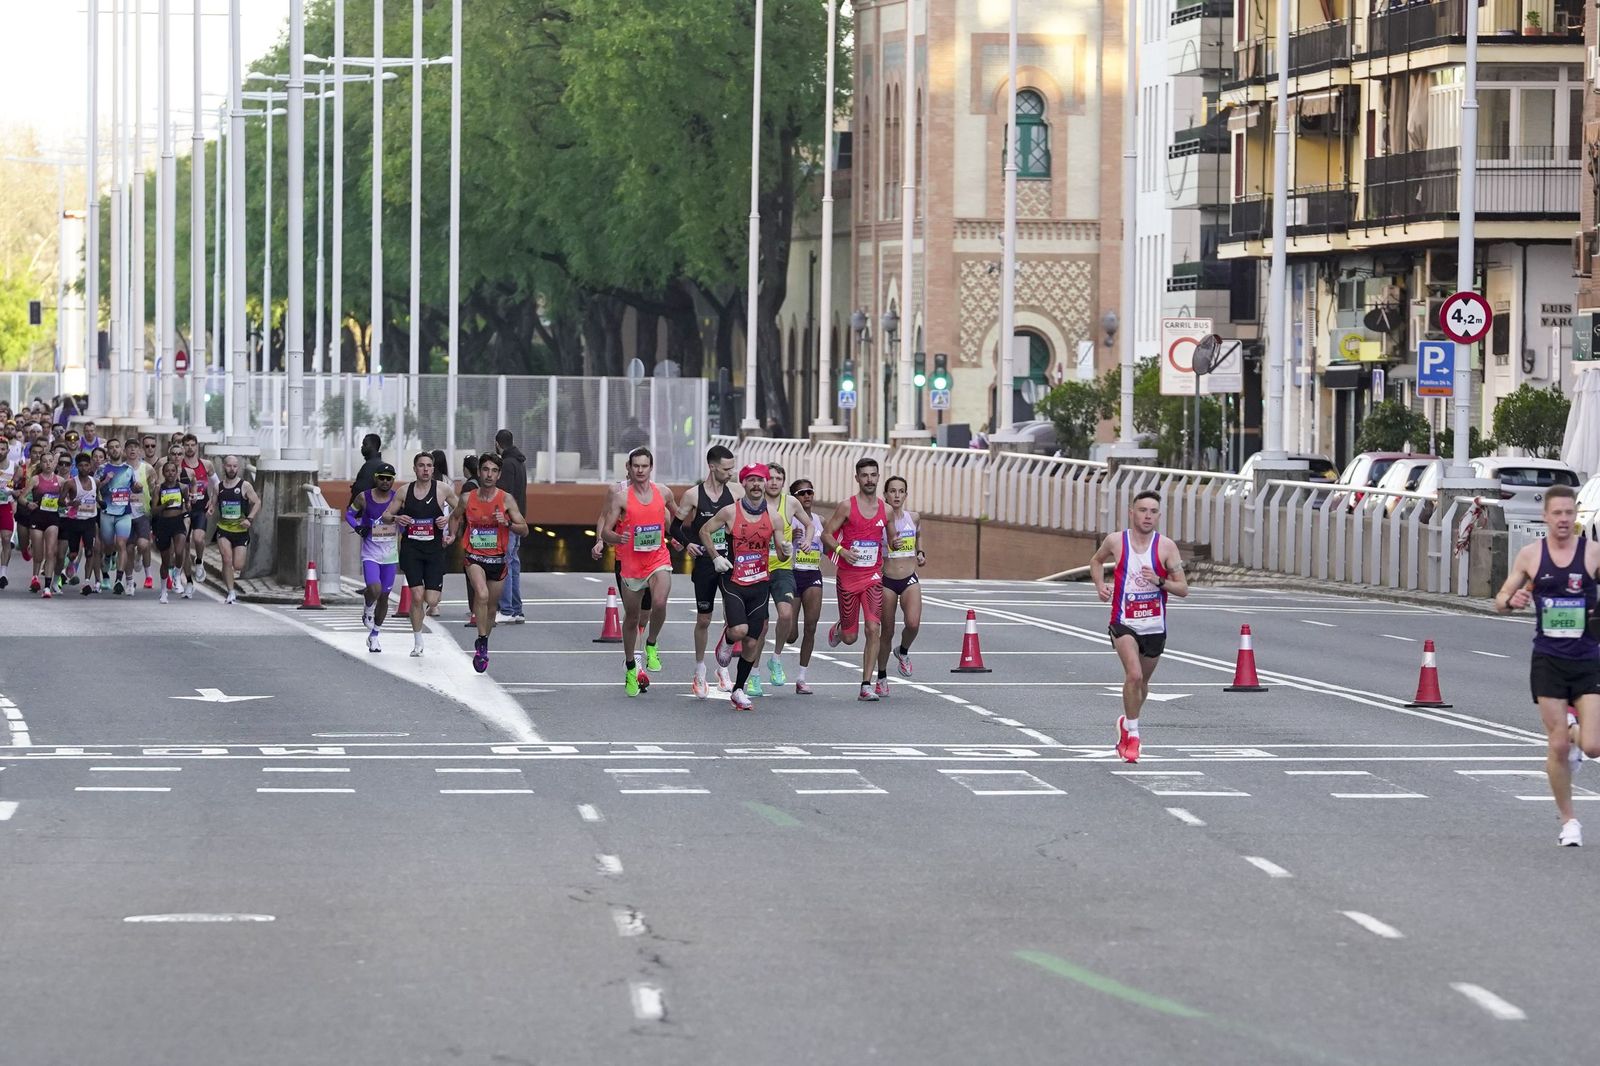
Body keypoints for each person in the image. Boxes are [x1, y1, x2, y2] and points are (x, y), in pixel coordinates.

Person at [1494, 485, 1600, 847]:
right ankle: (1569, 821)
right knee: (1556, 745)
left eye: (1570, 513)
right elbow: (1501, 599)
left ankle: (1577, 732)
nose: (1564, 520)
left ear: (1576, 516)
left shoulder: (1592, 554)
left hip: (1588, 659)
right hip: (1549, 661)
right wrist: (1515, 598)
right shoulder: (1530, 556)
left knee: (1593, 746)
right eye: (1557, 514)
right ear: (1545, 517)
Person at [1089, 490, 1190, 764]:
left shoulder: (1166, 547)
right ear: (1131, 513)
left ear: (1158, 516)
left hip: (1154, 624)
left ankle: (1126, 721)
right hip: (1123, 621)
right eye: (1142, 510)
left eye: (1153, 511)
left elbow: (1183, 589)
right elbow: (1096, 561)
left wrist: (1160, 581)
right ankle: (1133, 736)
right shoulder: (1116, 541)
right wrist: (1100, 586)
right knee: (1133, 675)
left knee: (1142, 684)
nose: (1147, 516)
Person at [697, 464, 791, 711]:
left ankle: (738, 689)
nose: (758, 485)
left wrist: (786, 550)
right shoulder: (730, 512)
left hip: (760, 582)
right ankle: (727, 640)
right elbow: (704, 531)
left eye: (761, 480)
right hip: (734, 580)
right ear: (744, 484)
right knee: (739, 630)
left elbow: (780, 555)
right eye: (752, 480)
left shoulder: (774, 516)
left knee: (752, 641)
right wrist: (716, 556)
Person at [594, 447, 677, 696]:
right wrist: (616, 538)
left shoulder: (663, 492)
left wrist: (678, 534)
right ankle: (631, 665)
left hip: (658, 558)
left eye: (645, 466)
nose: (640, 470)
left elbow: (678, 516)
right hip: (630, 563)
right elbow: (606, 529)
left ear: (651, 468)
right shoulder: (620, 496)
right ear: (629, 468)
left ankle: (651, 644)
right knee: (632, 618)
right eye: (636, 466)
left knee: (659, 602)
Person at [448, 452, 529, 673]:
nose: (489, 474)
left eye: (494, 471)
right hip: (474, 556)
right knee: (481, 595)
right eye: (485, 470)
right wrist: (452, 535)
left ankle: (483, 643)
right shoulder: (468, 498)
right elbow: (455, 516)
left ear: (499, 474)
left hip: (498, 559)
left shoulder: (506, 499)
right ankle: (482, 642)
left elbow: (525, 529)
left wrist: (508, 522)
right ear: (479, 472)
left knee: (491, 609)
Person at [670, 444, 736, 698]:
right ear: (712, 467)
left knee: (733, 618)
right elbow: (676, 527)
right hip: (706, 564)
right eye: (726, 468)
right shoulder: (693, 496)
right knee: (704, 619)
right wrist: (689, 544)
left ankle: (724, 669)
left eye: (732, 468)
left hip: (730, 562)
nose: (730, 473)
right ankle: (699, 670)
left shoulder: (736, 492)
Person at [821, 457, 889, 702]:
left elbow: (891, 541)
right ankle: (840, 628)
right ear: (857, 479)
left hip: (872, 577)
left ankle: (866, 685)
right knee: (851, 638)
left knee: (873, 627)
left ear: (878, 476)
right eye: (865, 475)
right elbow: (826, 534)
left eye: (873, 475)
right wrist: (841, 551)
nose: (869, 479)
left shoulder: (886, 509)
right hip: (849, 577)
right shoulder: (846, 507)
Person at [396, 452, 458, 656]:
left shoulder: (443, 489)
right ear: (414, 469)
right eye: (421, 465)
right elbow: (387, 514)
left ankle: (423, 608)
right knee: (416, 596)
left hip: (434, 550)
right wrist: (398, 517)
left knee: (431, 600)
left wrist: (447, 520)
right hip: (411, 549)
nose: (425, 469)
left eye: (429, 465)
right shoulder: (404, 491)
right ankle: (418, 641)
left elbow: (462, 510)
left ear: (433, 469)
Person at [876, 476, 928, 693]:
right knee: (886, 631)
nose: (896, 495)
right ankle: (881, 677)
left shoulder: (913, 517)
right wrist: (887, 544)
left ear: (906, 495)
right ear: (885, 495)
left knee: (913, 624)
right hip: (887, 579)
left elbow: (918, 537)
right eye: (892, 491)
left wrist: (921, 553)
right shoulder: (879, 521)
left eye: (901, 491)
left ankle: (903, 651)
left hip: (909, 578)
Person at [758, 461, 806, 695]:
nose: (774, 482)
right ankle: (754, 675)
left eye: (778, 478)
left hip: (783, 569)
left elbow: (809, 524)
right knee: (760, 625)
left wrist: (806, 539)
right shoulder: (754, 504)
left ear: (783, 482)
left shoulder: (791, 503)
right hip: (756, 569)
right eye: (770, 478)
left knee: (786, 614)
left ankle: (776, 658)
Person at [346, 463, 402, 653]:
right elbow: (349, 514)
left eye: (389, 478)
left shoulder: (398, 499)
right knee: (374, 588)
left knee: (385, 596)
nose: (385, 481)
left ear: (393, 479)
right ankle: (368, 607)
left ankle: (375, 635)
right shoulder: (364, 497)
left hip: (390, 555)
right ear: (376, 478)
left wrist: (401, 526)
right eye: (382, 477)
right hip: (370, 553)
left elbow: (405, 520)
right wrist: (357, 526)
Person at [788, 478, 825, 695]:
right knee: (791, 633)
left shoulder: (820, 520)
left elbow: (828, 544)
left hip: (812, 574)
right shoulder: (789, 519)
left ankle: (802, 677)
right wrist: (789, 536)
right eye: (802, 493)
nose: (807, 496)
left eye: (809, 492)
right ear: (794, 497)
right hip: (792, 574)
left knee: (811, 627)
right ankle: (774, 661)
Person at [213, 455, 261, 604]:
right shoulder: (218, 487)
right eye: (229, 466)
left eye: (235, 466)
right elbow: (212, 504)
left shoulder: (244, 485)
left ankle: (231, 584)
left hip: (240, 531)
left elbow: (257, 502)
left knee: (238, 565)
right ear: (224, 467)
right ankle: (231, 592)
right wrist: (209, 510)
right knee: (226, 559)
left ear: (238, 468)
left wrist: (250, 519)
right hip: (223, 529)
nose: (232, 469)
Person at [493, 429, 528, 624]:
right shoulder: (520, 462)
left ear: (497, 443)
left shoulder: (506, 464)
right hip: (519, 518)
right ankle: (516, 609)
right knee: (513, 563)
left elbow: (503, 494)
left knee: (505, 563)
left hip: (508, 521)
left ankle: (506, 609)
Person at [97, 438, 137, 596]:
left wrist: (138, 488)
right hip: (107, 512)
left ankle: (119, 580)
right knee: (108, 544)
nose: (114, 450)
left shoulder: (128, 469)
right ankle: (108, 556)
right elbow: (94, 487)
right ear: (108, 451)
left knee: (121, 544)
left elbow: (135, 487)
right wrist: (106, 480)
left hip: (124, 513)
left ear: (121, 449)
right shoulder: (102, 468)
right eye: (111, 448)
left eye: (116, 447)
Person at [151, 459, 194, 603]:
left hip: (178, 522)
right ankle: (163, 591)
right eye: (167, 471)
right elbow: (154, 511)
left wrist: (188, 505)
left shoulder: (182, 488)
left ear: (177, 473)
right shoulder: (159, 489)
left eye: (173, 471)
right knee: (165, 560)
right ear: (163, 473)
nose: (170, 473)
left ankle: (177, 573)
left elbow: (187, 504)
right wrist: (164, 505)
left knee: (180, 551)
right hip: (163, 523)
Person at [21, 450, 63, 597]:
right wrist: (28, 504)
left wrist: (69, 503)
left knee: (51, 552)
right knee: (38, 553)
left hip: (53, 519)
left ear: (54, 463)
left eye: (50, 461)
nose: (48, 464)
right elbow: (21, 497)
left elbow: (68, 498)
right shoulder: (35, 479)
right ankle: (35, 578)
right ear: (41, 464)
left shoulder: (61, 480)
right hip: (37, 518)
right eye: (45, 461)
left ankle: (47, 587)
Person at [61, 453, 100, 597]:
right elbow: (60, 501)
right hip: (74, 521)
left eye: (86, 465)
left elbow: (98, 496)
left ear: (90, 466)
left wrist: (100, 502)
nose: (84, 468)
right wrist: (71, 503)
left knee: (90, 551)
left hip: (90, 520)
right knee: (73, 553)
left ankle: (87, 582)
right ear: (76, 467)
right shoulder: (70, 483)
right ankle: (67, 569)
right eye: (81, 466)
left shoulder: (95, 481)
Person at [179, 434, 214, 586]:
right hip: (183, 509)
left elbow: (218, 484)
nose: (190, 448)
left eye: (193, 445)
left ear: (197, 446)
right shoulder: (178, 466)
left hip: (200, 508)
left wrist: (213, 501)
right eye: (187, 445)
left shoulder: (206, 464)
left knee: (199, 539)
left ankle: (199, 561)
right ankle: (188, 581)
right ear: (183, 447)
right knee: (184, 547)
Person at [125, 436, 156, 590]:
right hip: (125, 513)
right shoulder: (122, 468)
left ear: (140, 450)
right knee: (128, 549)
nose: (132, 450)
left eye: (135, 447)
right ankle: (129, 582)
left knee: (143, 544)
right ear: (125, 451)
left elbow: (153, 490)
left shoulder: (148, 469)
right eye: (129, 447)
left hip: (143, 513)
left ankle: (141, 559)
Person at [458, 454, 481, 627]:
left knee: (472, 571)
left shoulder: (468, 486)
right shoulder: (486, 484)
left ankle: (475, 609)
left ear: (466, 469)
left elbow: (463, 510)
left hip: (472, 533)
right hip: (489, 533)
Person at [350, 433, 385, 498]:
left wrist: (351, 507)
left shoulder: (370, 466)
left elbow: (360, 493)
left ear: (373, 446)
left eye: (365, 444)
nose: (362, 447)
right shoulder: (381, 464)